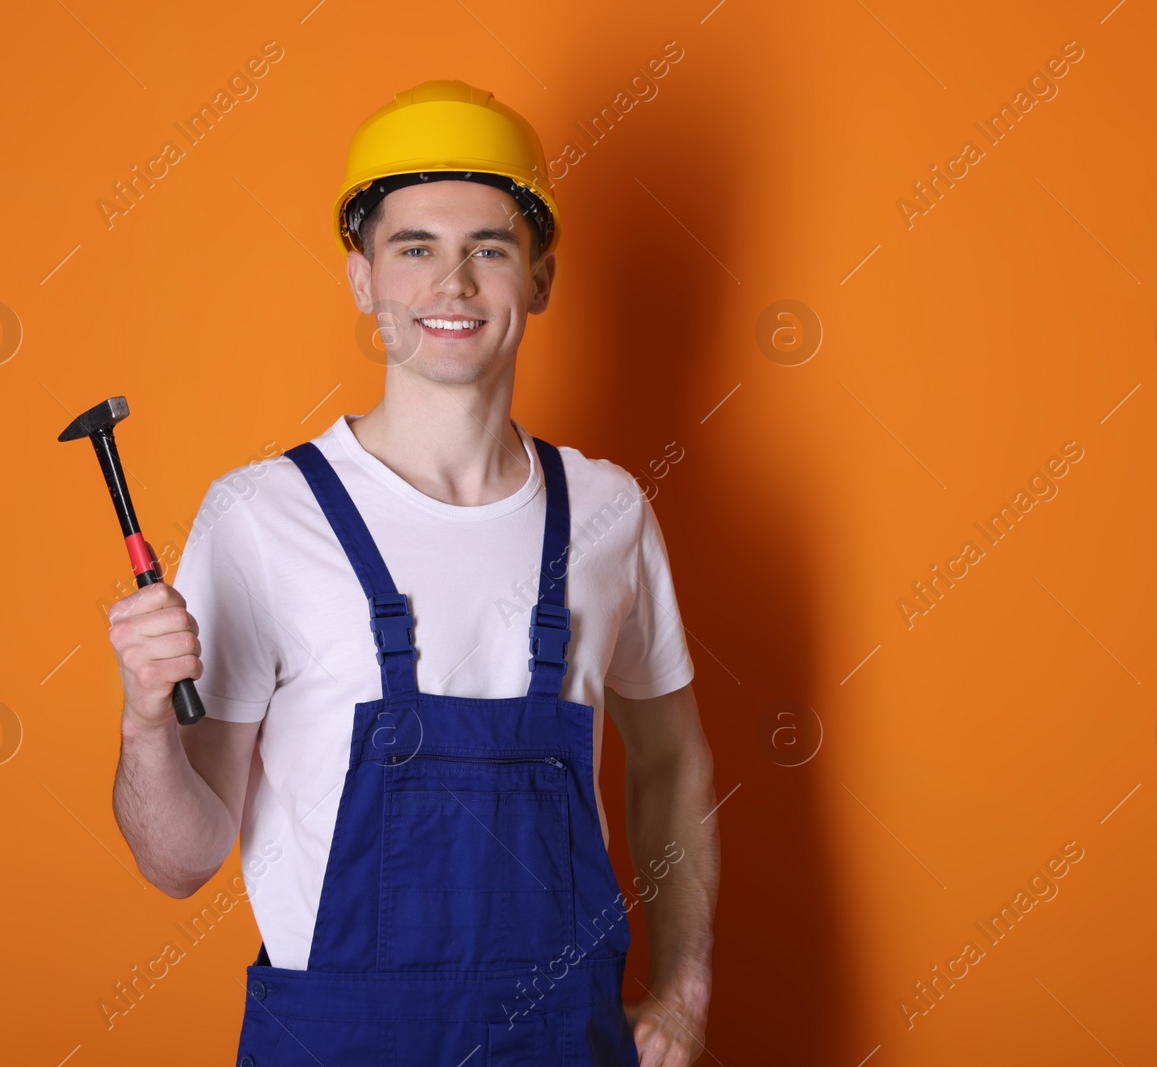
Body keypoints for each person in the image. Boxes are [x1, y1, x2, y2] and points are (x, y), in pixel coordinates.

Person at [106, 79, 718, 1065]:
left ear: (541, 276)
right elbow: (177, 862)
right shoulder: (264, 516)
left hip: (566, 1041)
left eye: (489, 247)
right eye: (415, 248)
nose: (454, 284)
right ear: (362, 279)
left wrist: (683, 987)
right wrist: (144, 717)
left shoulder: (607, 511)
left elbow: (673, 757)